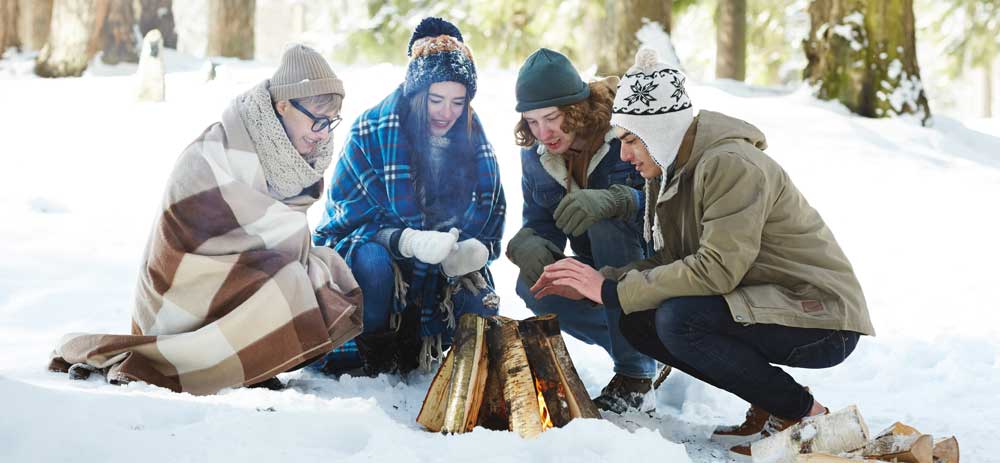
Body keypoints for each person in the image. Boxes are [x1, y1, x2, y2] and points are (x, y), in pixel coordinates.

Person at [531, 49, 875, 457]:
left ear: (660, 130)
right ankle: (772, 405)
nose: (624, 155)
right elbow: (671, 260)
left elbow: (717, 271)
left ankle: (805, 415)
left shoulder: (730, 164)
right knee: (639, 320)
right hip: (766, 301)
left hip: (820, 316)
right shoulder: (672, 166)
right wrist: (606, 281)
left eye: (630, 140)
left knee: (680, 320)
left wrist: (609, 291)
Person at [49, 44, 363, 394]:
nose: (323, 133)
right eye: (316, 120)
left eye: (330, 122)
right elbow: (202, 233)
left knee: (325, 270)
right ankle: (209, 364)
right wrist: (279, 249)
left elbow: (278, 233)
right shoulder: (221, 149)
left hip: (235, 271)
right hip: (184, 282)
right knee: (289, 280)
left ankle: (250, 362)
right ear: (284, 105)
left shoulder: (290, 159)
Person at [312, 17, 505, 377]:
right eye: (436, 100)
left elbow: (489, 220)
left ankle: (422, 342)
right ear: (418, 92)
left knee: (482, 308)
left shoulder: (475, 143)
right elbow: (344, 223)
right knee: (371, 261)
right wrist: (406, 240)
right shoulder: (372, 130)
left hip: (440, 269)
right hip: (380, 260)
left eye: (458, 102)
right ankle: (376, 354)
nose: (447, 113)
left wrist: (463, 249)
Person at [506, 48, 657, 414]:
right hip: (597, 272)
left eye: (552, 118)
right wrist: (530, 244)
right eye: (532, 122)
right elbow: (544, 223)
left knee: (604, 223)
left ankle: (636, 375)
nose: (543, 132)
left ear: (574, 108)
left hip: (652, 265)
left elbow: (668, 202)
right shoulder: (536, 155)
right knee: (533, 285)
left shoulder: (626, 129)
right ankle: (649, 345)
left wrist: (617, 201)